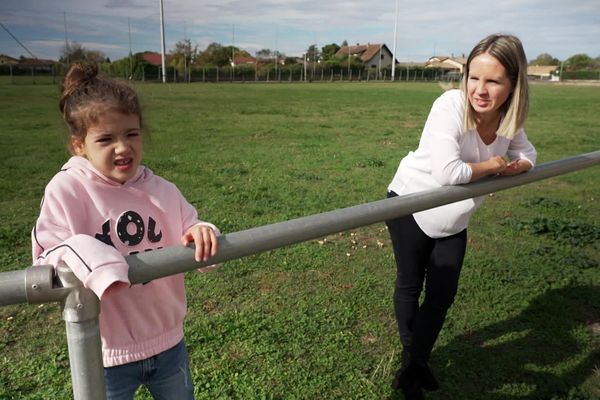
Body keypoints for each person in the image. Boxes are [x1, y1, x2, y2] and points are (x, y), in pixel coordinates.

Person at [31, 63, 219, 400]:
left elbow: (191, 223)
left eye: (131, 134)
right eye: (106, 139)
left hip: (169, 340)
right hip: (105, 352)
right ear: (78, 145)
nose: (122, 147)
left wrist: (201, 231)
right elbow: (48, 254)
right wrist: (91, 255)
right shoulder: (68, 190)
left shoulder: (161, 189)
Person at [385, 34, 537, 399]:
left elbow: (529, 153)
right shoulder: (450, 104)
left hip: (455, 215)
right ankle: (413, 365)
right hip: (412, 201)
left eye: (493, 81)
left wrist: (519, 165)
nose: (479, 90)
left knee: (442, 294)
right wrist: (496, 164)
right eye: (474, 77)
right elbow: (448, 174)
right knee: (410, 282)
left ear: (513, 84)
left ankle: (415, 362)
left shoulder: (506, 119)